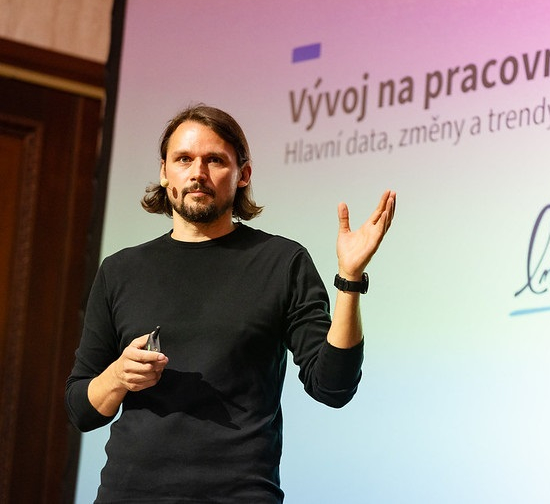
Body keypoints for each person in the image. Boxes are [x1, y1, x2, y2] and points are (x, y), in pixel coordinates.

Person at [65, 104, 396, 503]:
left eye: (215, 160)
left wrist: (350, 279)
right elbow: (81, 410)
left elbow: (332, 387)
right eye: (183, 159)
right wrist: (118, 377)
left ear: (244, 175)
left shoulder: (281, 262)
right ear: (164, 171)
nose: (197, 173)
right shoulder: (120, 270)